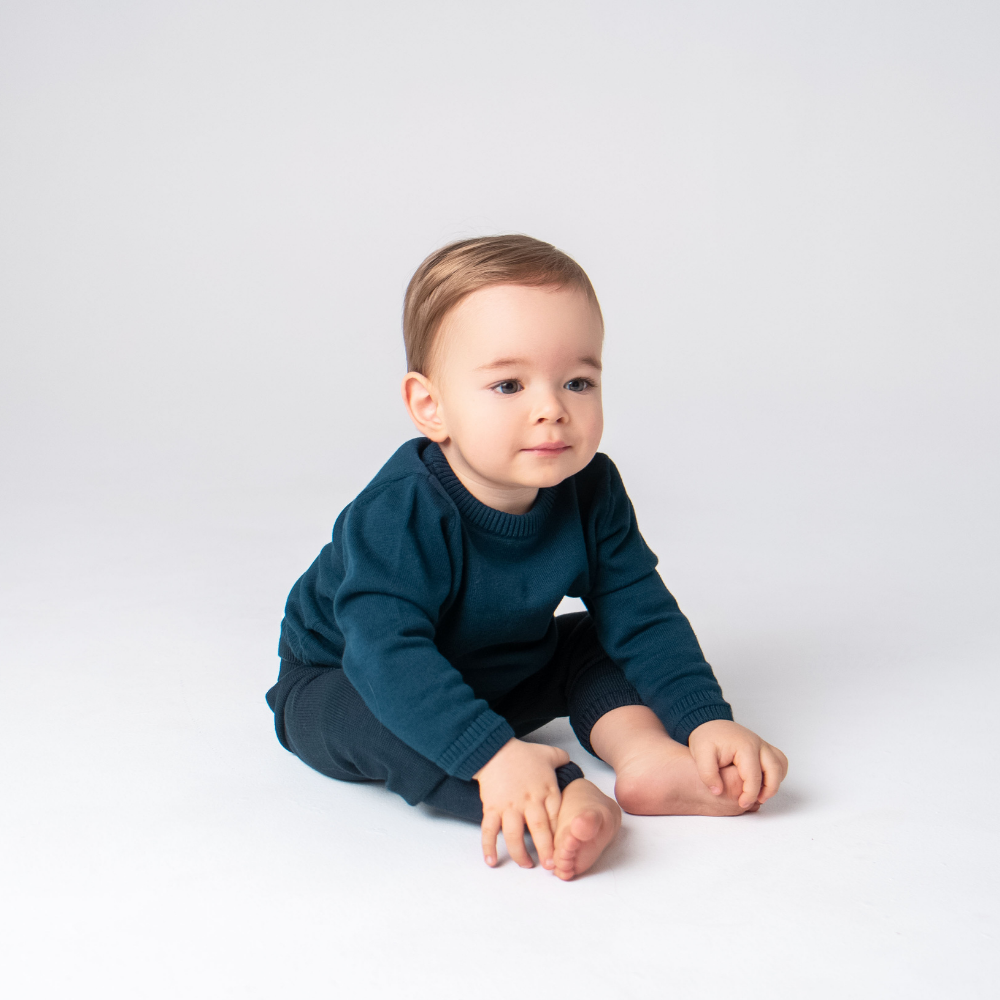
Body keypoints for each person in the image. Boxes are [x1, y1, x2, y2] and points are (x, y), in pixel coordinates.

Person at [266, 235, 788, 880]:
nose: (552, 409)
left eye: (578, 381)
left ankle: (647, 755)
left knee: (598, 639)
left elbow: (641, 610)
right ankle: (557, 795)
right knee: (369, 715)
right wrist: (492, 754)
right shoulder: (400, 513)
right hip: (351, 673)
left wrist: (706, 719)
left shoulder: (592, 488)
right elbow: (386, 653)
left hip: (502, 664)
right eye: (509, 384)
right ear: (431, 406)